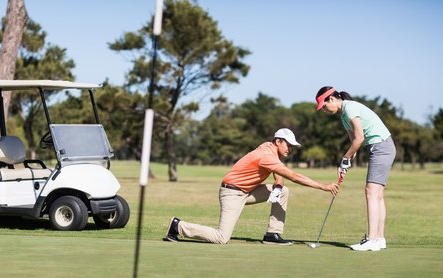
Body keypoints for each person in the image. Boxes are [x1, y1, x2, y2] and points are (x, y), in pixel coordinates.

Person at [164, 128, 340, 245]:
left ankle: (273, 234)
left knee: (284, 190)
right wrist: (323, 186)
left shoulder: (269, 148)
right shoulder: (266, 154)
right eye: (288, 145)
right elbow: (293, 176)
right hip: (231, 193)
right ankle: (178, 226)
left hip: (247, 192)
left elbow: (279, 174)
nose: (291, 149)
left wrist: (278, 187)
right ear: (278, 141)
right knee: (221, 238)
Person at [315, 86, 396, 251]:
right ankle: (379, 239)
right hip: (380, 147)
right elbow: (354, 142)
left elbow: (359, 138)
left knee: (371, 192)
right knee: (377, 194)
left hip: (381, 146)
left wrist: (345, 157)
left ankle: (372, 239)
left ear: (331, 99)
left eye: (324, 106)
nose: (324, 110)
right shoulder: (344, 116)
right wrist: (345, 163)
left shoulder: (350, 107)